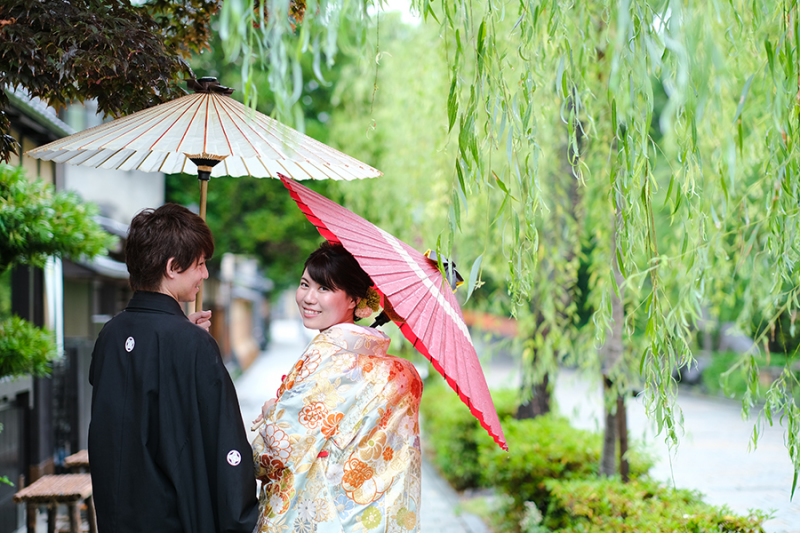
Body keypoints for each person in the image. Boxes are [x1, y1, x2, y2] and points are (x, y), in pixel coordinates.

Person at [88, 203, 259, 533]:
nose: (205, 274)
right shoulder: (192, 344)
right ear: (172, 267)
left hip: (116, 516)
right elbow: (224, 443)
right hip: (175, 520)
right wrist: (243, 521)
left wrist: (180, 330)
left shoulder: (111, 334)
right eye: (200, 264)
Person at [251, 241, 423, 532]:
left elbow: (275, 453)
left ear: (355, 299)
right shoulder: (401, 372)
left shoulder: (327, 359)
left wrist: (272, 412)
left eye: (324, 289)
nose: (308, 297)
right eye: (305, 284)